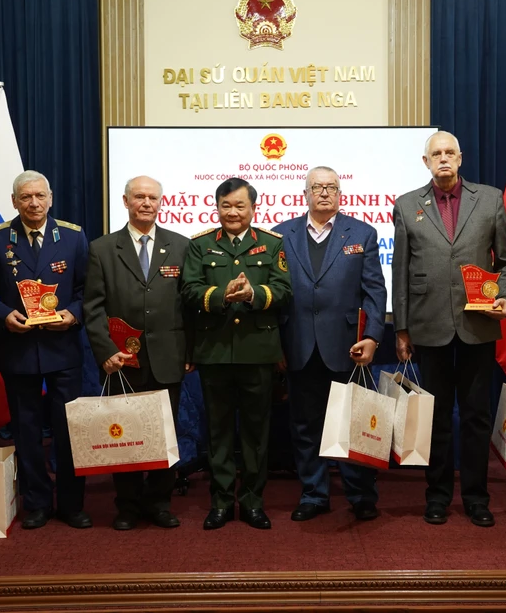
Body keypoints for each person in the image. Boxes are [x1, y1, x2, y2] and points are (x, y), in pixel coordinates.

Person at [391, 130, 506, 528]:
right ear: (425, 162)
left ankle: (477, 497)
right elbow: (400, 272)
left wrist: (505, 296)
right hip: (429, 328)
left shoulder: (491, 199)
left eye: (450, 153)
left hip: (478, 325)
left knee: (477, 416)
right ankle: (438, 496)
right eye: (436, 154)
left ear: (460, 159)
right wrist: (402, 328)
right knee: (437, 416)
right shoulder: (407, 204)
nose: (443, 159)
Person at [0, 170, 91, 531]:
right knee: (26, 431)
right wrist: (4, 315)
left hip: (63, 348)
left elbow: (89, 291)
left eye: (40, 196)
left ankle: (71, 503)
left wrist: (71, 315)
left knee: (68, 429)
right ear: (14, 201)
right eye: (26, 197)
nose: (34, 203)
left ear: (50, 198)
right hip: (18, 349)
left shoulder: (72, 236)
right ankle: (36, 502)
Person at [273, 166, 386, 522]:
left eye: (331, 187)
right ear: (304, 194)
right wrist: (276, 345)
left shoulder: (363, 233)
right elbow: (275, 295)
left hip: (348, 346)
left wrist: (372, 336)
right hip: (299, 344)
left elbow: (374, 290)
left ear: (340, 194)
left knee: (351, 424)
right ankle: (314, 494)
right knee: (305, 425)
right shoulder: (280, 234)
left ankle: (361, 495)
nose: (324, 193)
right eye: (317, 187)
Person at [182, 177, 292, 530]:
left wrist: (251, 295)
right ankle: (220, 502)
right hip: (214, 352)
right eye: (226, 205)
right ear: (217, 207)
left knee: (256, 434)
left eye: (239, 206)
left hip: (258, 352)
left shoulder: (272, 244)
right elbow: (189, 290)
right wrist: (221, 297)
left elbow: (284, 291)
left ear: (253, 208)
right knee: (218, 432)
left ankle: (253, 502)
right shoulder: (200, 245)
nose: (232, 212)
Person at [83, 175, 192, 530]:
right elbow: (93, 307)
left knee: (164, 434)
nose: (146, 203)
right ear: (126, 201)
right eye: (139, 197)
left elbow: (189, 305)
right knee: (124, 432)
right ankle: (127, 506)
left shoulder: (181, 245)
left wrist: (190, 350)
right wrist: (104, 350)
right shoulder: (102, 248)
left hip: (168, 356)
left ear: (162, 203)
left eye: (153, 198)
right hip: (121, 360)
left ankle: (159, 502)